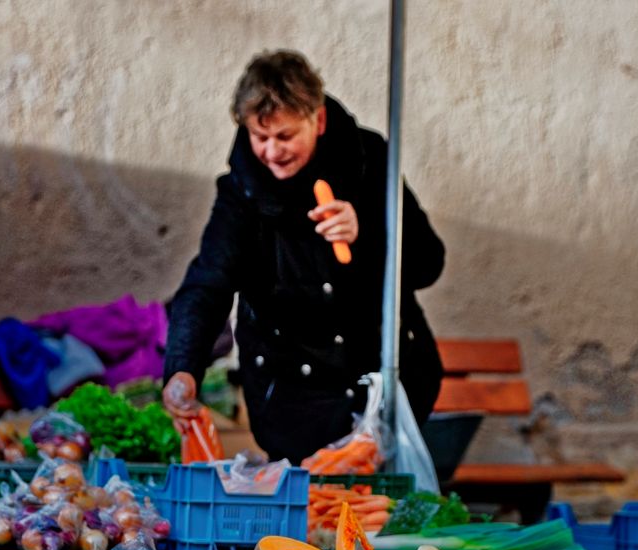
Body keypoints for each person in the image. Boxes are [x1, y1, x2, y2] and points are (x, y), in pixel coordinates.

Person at [163, 49, 445, 464]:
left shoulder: (371, 162)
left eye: (285, 136)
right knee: (313, 516)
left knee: (384, 513)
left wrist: (366, 233)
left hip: (382, 389)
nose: (272, 152)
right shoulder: (240, 192)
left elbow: (428, 263)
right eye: (260, 137)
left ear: (319, 120)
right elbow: (208, 284)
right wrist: (184, 366)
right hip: (290, 396)